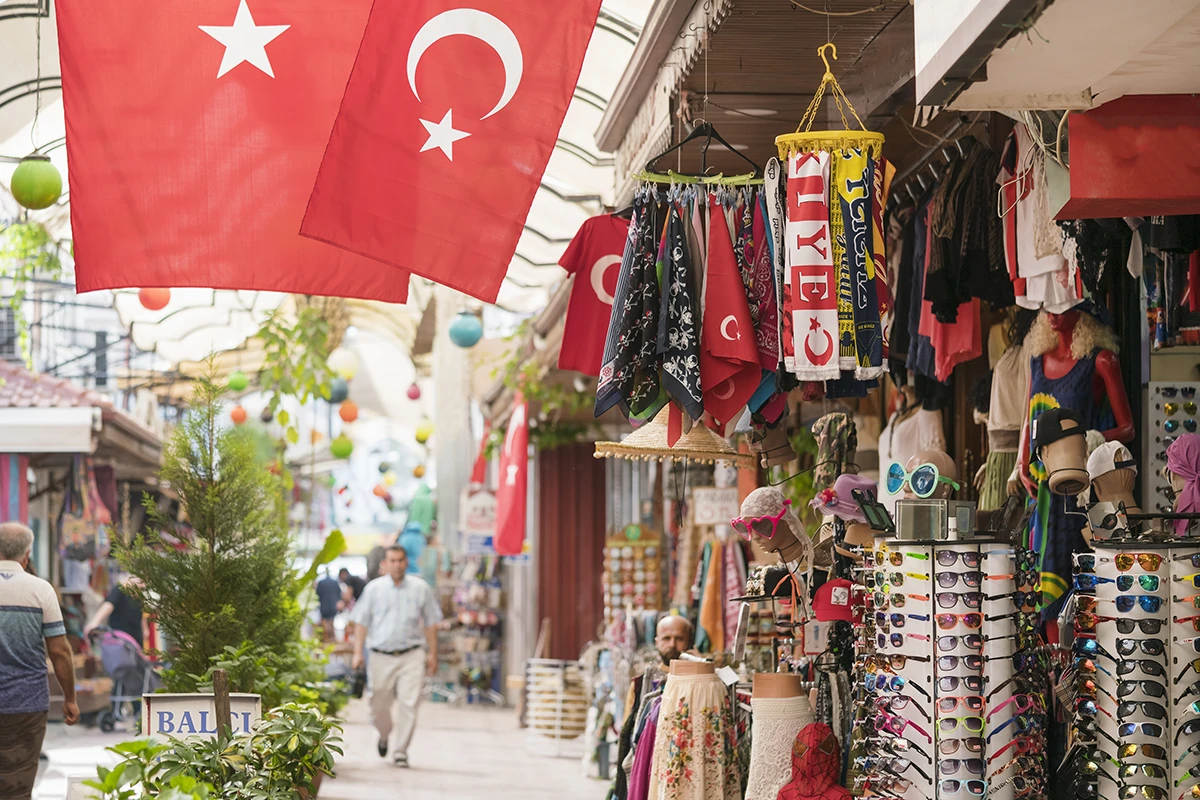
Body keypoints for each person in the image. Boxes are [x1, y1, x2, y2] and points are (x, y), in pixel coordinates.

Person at [0, 522, 79, 797]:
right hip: (27, 704)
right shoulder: (41, 590)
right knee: (18, 783)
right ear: (27, 554)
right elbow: (59, 651)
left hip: (27, 704)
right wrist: (70, 698)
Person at [350, 546, 443, 768]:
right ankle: (384, 734)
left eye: (401, 560)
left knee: (409, 703)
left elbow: (431, 623)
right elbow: (361, 622)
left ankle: (401, 750)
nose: (397, 565)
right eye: (392, 560)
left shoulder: (421, 588)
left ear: (406, 562)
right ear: (385, 563)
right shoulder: (374, 589)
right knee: (377, 704)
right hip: (380, 655)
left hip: (412, 654)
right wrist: (357, 653)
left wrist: (433, 654)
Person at [83, 574, 147, 647]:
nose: (144, 586)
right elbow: (109, 605)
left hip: (135, 642)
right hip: (119, 640)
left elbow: (141, 613)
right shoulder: (119, 590)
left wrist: (145, 628)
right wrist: (95, 622)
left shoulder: (139, 595)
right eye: (142, 582)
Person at [315, 569, 342, 642]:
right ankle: (332, 639)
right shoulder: (335, 582)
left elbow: (318, 594)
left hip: (324, 606)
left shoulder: (321, 582)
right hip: (333, 606)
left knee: (324, 623)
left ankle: (326, 640)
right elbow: (339, 593)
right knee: (332, 622)